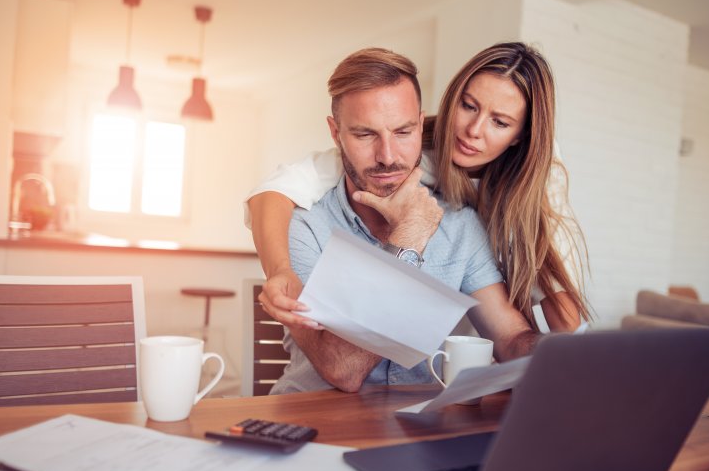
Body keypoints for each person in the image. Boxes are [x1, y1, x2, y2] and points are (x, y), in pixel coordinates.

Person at [248, 42, 591, 334]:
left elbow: (562, 306)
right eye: (468, 106)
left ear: (521, 136)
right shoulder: (408, 149)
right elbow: (277, 191)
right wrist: (281, 270)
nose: (473, 130)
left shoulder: (539, 177)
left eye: (499, 122)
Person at [271, 47, 537, 394]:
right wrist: (408, 241)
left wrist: (561, 357)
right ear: (336, 133)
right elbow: (342, 368)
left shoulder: (460, 226)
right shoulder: (304, 226)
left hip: (415, 428)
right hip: (311, 425)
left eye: (403, 132)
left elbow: (510, 336)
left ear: (421, 123)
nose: (388, 156)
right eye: (365, 134)